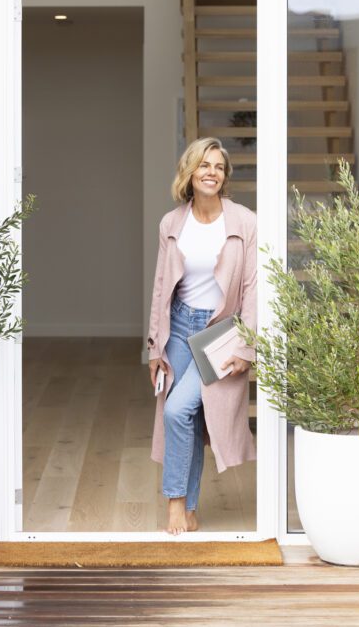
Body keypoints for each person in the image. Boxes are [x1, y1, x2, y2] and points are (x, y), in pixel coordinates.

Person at [146, 137, 258, 536]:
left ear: (224, 176)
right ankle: (190, 511)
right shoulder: (172, 222)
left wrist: (248, 346)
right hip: (177, 329)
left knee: (178, 411)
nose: (211, 172)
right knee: (185, 419)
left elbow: (253, 287)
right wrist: (154, 347)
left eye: (218, 166)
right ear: (190, 173)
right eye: (203, 165)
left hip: (219, 334)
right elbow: (162, 286)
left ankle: (175, 504)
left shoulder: (244, 221)